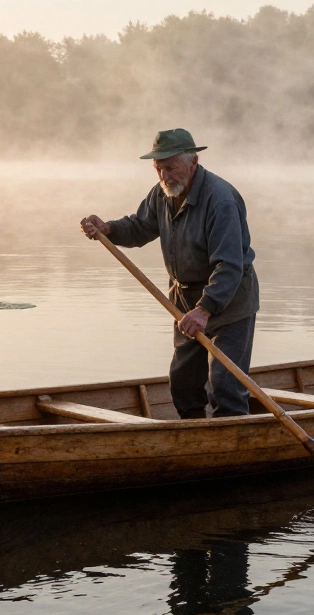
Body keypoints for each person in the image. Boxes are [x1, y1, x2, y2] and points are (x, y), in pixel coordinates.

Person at [80, 128, 259, 419]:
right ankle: (194, 442)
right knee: (183, 383)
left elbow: (229, 265)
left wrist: (205, 310)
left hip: (229, 301)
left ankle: (231, 449)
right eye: (158, 169)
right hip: (184, 302)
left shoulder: (220, 199)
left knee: (227, 385)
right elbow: (140, 227)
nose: (165, 176)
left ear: (193, 162)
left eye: (171, 168)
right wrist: (109, 229)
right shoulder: (162, 195)